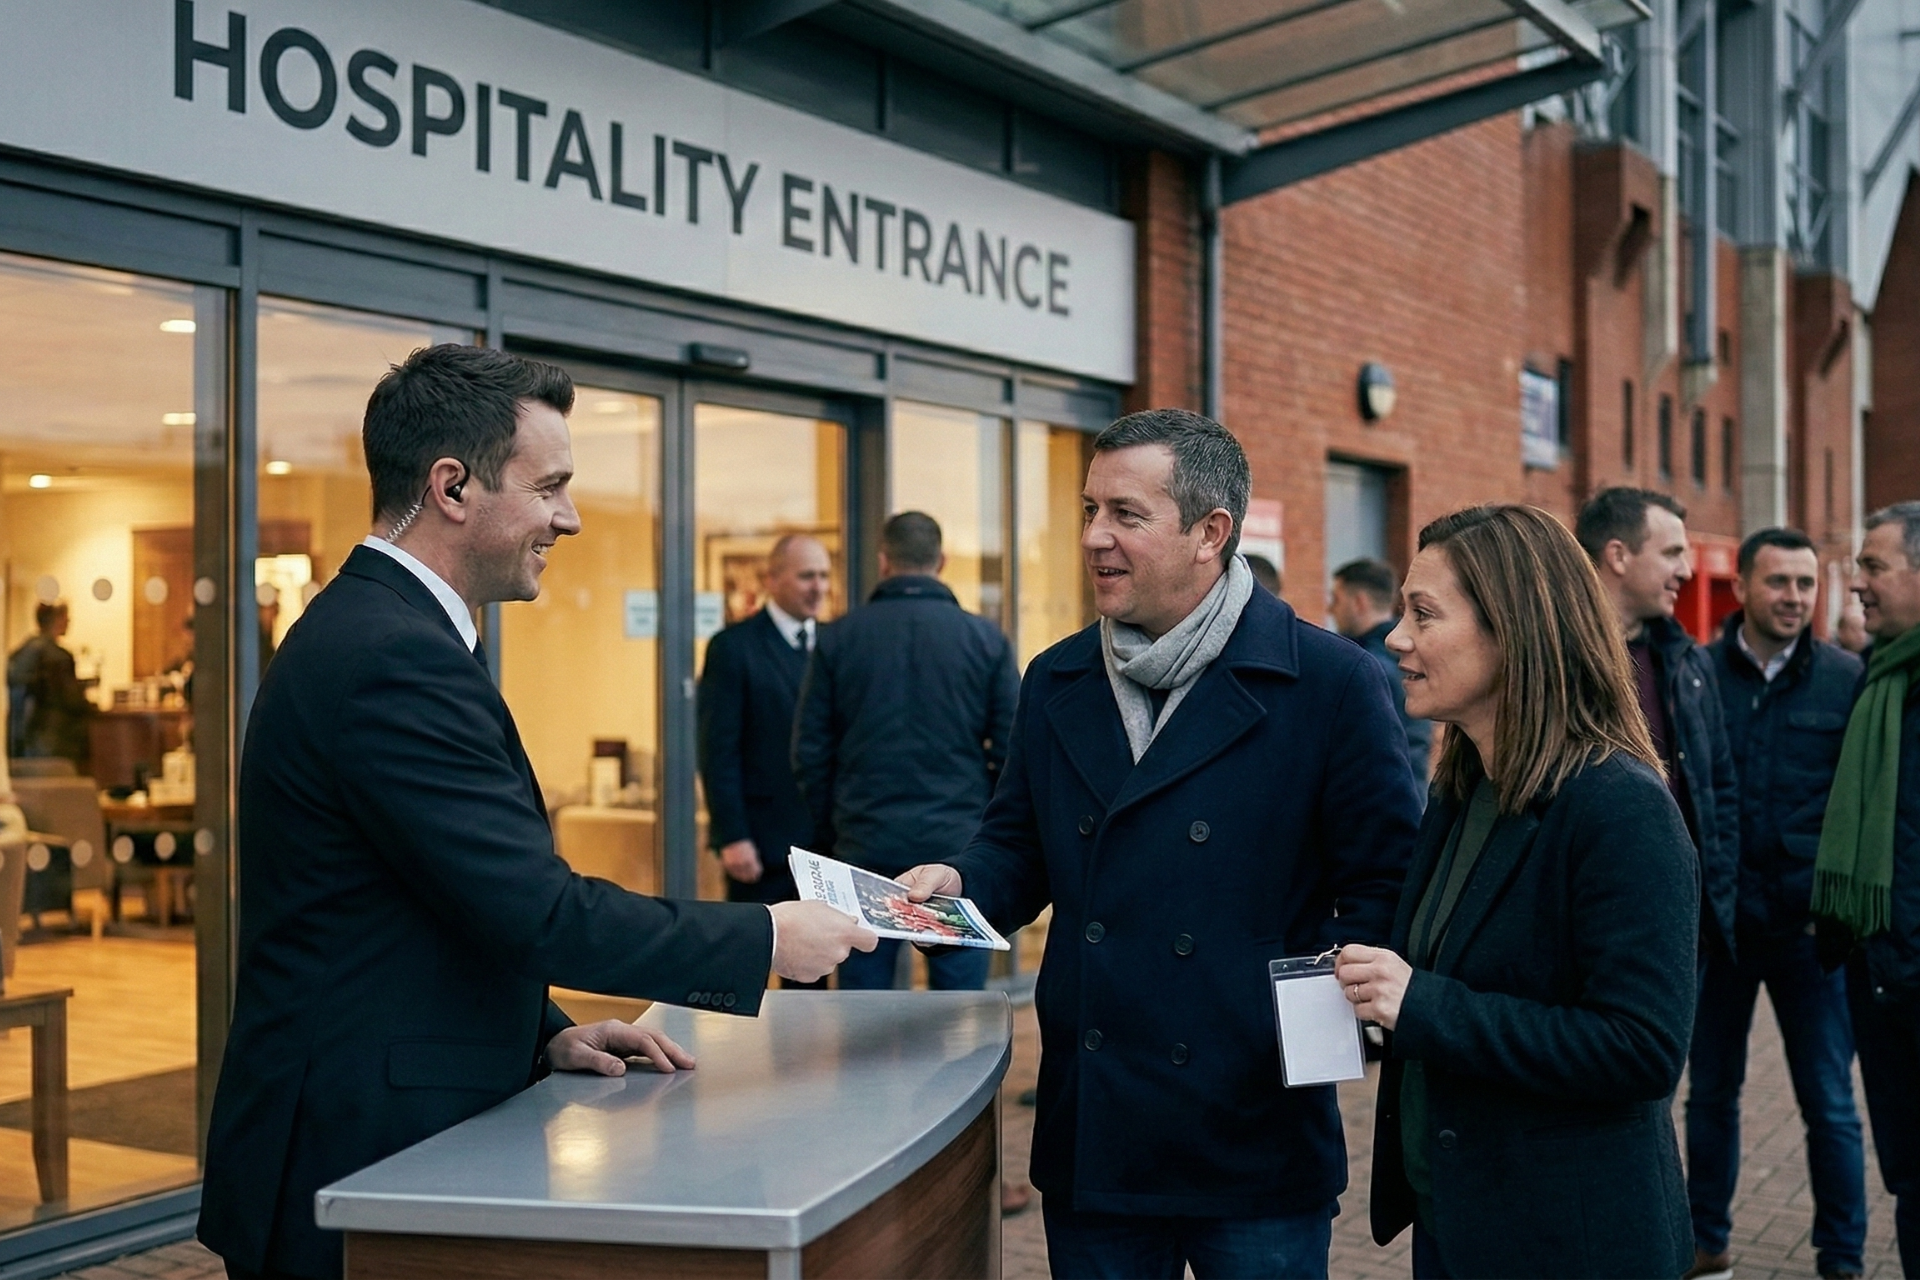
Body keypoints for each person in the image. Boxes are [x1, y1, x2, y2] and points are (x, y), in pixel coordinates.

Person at [198, 345, 873, 1280]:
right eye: (550, 486)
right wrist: (765, 940)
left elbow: (435, 900)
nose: (572, 516)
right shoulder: (390, 655)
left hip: (378, 1132)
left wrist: (541, 1029)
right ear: (452, 487)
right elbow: (537, 908)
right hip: (353, 1153)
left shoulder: (393, 632)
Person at [900, 409, 1421, 1279]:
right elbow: (1016, 848)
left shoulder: (1331, 683)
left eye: (1127, 515)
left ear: (1210, 533)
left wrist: (1303, 1016)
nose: (1095, 537)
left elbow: (1383, 882)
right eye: (1090, 509)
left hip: (1250, 1127)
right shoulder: (1058, 676)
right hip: (1099, 1129)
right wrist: (956, 879)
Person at [1334, 504, 1698, 1279]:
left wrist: (1420, 1003)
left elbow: (1641, 1049)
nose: (1396, 638)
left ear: (1514, 630)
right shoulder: (1464, 787)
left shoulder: (1618, 806)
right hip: (1459, 1220)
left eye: (1423, 613)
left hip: (1568, 1239)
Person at [1687, 528, 1867, 1280]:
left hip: (1809, 935)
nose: (1794, 597)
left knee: (1829, 1102)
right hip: (1720, 930)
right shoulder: (1694, 676)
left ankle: (1842, 1257)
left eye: (1805, 584)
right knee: (1710, 1096)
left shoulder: (1844, 678)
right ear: (1745, 588)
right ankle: (1708, 1243)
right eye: (1779, 582)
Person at [793, 511, 1018, 992]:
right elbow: (1011, 751)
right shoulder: (985, 640)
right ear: (942, 561)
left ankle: (867, 1072)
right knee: (958, 1009)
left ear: (883, 561)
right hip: (955, 846)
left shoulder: (839, 638)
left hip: (864, 842)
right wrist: (988, 828)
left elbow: (811, 751)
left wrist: (834, 825)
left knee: (864, 1001)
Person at [1816, 500, 1920, 1276]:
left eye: (1876, 567)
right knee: (1912, 1186)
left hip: (1907, 977)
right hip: (1883, 987)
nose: (1858, 586)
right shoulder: (1878, 680)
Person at [1576, 487, 1740, 966]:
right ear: (1618, 555)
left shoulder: (1686, 662)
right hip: (1593, 920)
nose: (1686, 571)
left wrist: (1715, 900)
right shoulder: (1554, 663)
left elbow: (1719, 790)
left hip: (1683, 923)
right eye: (1671, 553)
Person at [697, 535, 832, 945]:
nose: (819, 587)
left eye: (825, 576)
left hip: (826, 845)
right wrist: (733, 836)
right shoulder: (733, 648)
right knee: (749, 959)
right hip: (761, 846)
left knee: (814, 968)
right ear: (772, 580)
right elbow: (718, 749)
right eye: (807, 575)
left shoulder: (836, 643)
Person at [1331, 558, 1432, 782]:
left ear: (1359, 602)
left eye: (1336, 599)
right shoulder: (1407, 657)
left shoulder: (1367, 668)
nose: (1330, 609)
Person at [6, 601, 93, 768]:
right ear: (58, 619)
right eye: (66, 617)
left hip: (22, 745)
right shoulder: (59, 657)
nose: (69, 621)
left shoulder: (20, 654)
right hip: (57, 741)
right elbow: (71, 699)